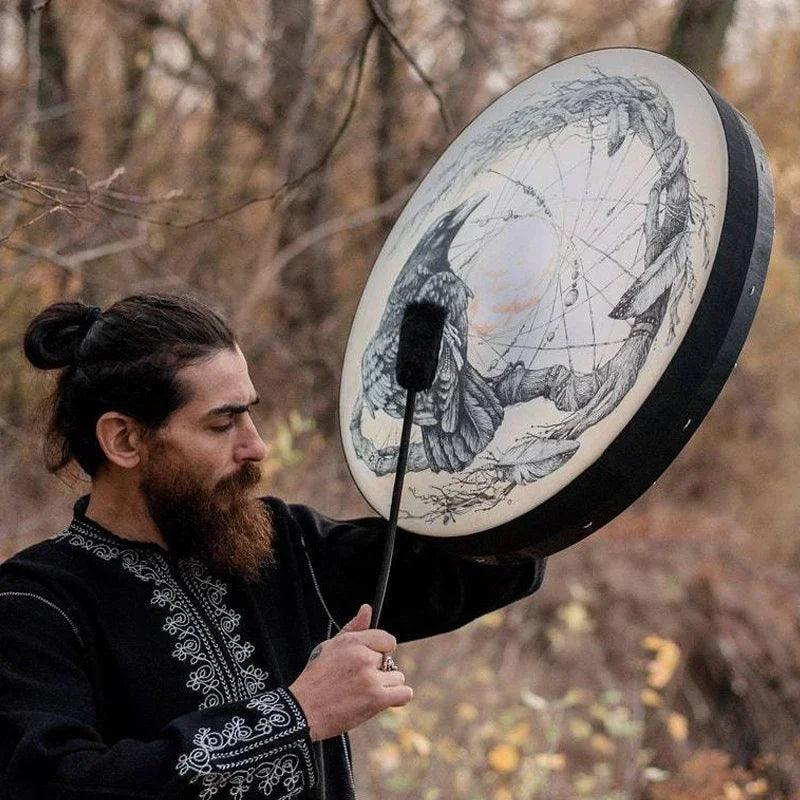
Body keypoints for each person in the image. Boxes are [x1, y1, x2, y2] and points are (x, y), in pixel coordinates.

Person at [0, 293, 547, 800]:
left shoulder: (282, 543)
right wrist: (296, 714)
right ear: (124, 439)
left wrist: (507, 401)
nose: (256, 445)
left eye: (250, 412)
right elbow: (61, 783)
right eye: (222, 424)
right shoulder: (34, 605)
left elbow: (479, 565)